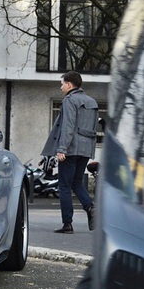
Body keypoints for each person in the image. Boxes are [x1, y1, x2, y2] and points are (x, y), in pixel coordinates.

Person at [41, 71, 97, 234]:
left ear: (70, 85)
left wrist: (61, 149)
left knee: (64, 185)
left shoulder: (69, 100)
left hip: (71, 149)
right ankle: (90, 208)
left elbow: (68, 126)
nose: (61, 87)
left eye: (62, 84)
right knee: (76, 182)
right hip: (86, 149)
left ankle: (67, 224)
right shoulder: (92, 101)